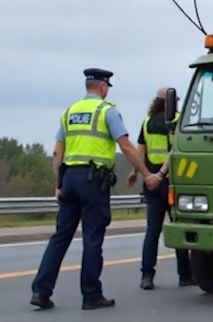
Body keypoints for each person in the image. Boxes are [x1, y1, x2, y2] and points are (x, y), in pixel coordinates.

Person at [30, 68, 160, 311]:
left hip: (69, 179)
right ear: (102, 87)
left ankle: (41, 290)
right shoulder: (106, 111)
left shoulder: (69, 111)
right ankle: (91, 294)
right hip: (93, 182)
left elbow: (57, 152)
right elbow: (127, 147)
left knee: (60, 237)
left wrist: (58, 184)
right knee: (92, 239)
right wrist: (146, 174)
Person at [127, 86, 195, 289]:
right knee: (178, 228)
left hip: (151, 184)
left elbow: (140, 152)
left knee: (152, 231)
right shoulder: (177, 121)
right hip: (172, 182)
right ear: (172, 102)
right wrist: (161, 175)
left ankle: (147, 276)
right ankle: (184, 274)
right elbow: (174, 151)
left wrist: (137, 173)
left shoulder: (147, 123)